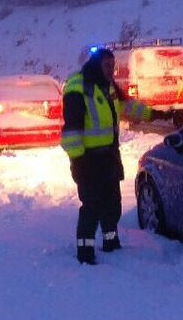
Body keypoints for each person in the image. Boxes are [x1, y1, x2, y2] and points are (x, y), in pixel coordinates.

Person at [61, 48, 170, 265]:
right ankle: (85, 251)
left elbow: (128, 106)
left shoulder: (108, 85)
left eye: (113, 65)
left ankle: (111, 241)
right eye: (107, 65)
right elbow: (71, 131)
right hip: (88, 160)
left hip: (109, 156)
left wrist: (157, 114)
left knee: (113, 203)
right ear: (95, 65)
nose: (112, 70)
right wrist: (78, 162)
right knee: (91, 205)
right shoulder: (77, 88)